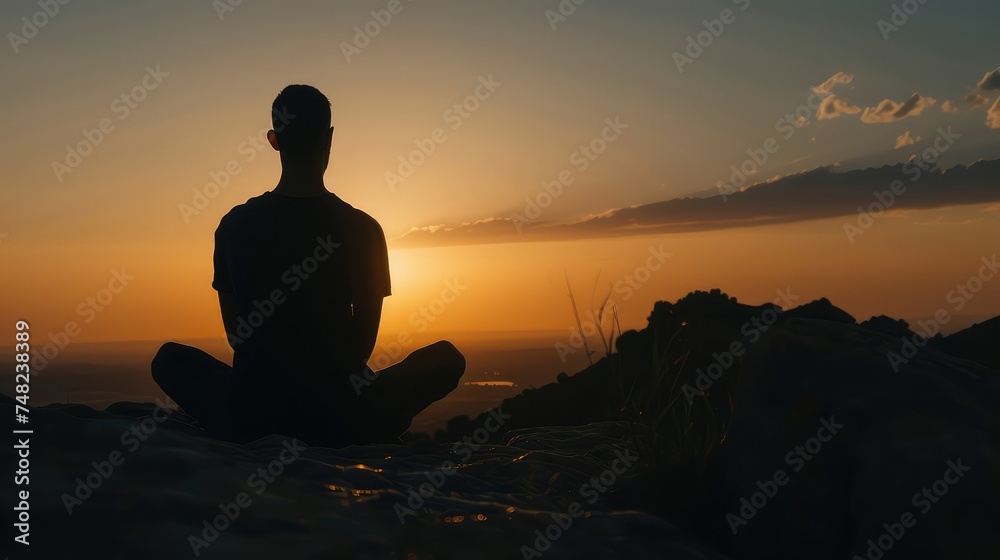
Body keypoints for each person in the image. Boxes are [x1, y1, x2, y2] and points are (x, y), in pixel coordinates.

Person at [152, 85, 465, 447]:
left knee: (168, 360)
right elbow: (361, 345)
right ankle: (369, 428)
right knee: (447, 359)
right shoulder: (363, 228)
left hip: (255, 411)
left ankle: (243, 425)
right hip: (342, 413)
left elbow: (238, 337)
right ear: (329, 138)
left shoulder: (235, 225)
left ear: (273, 140)